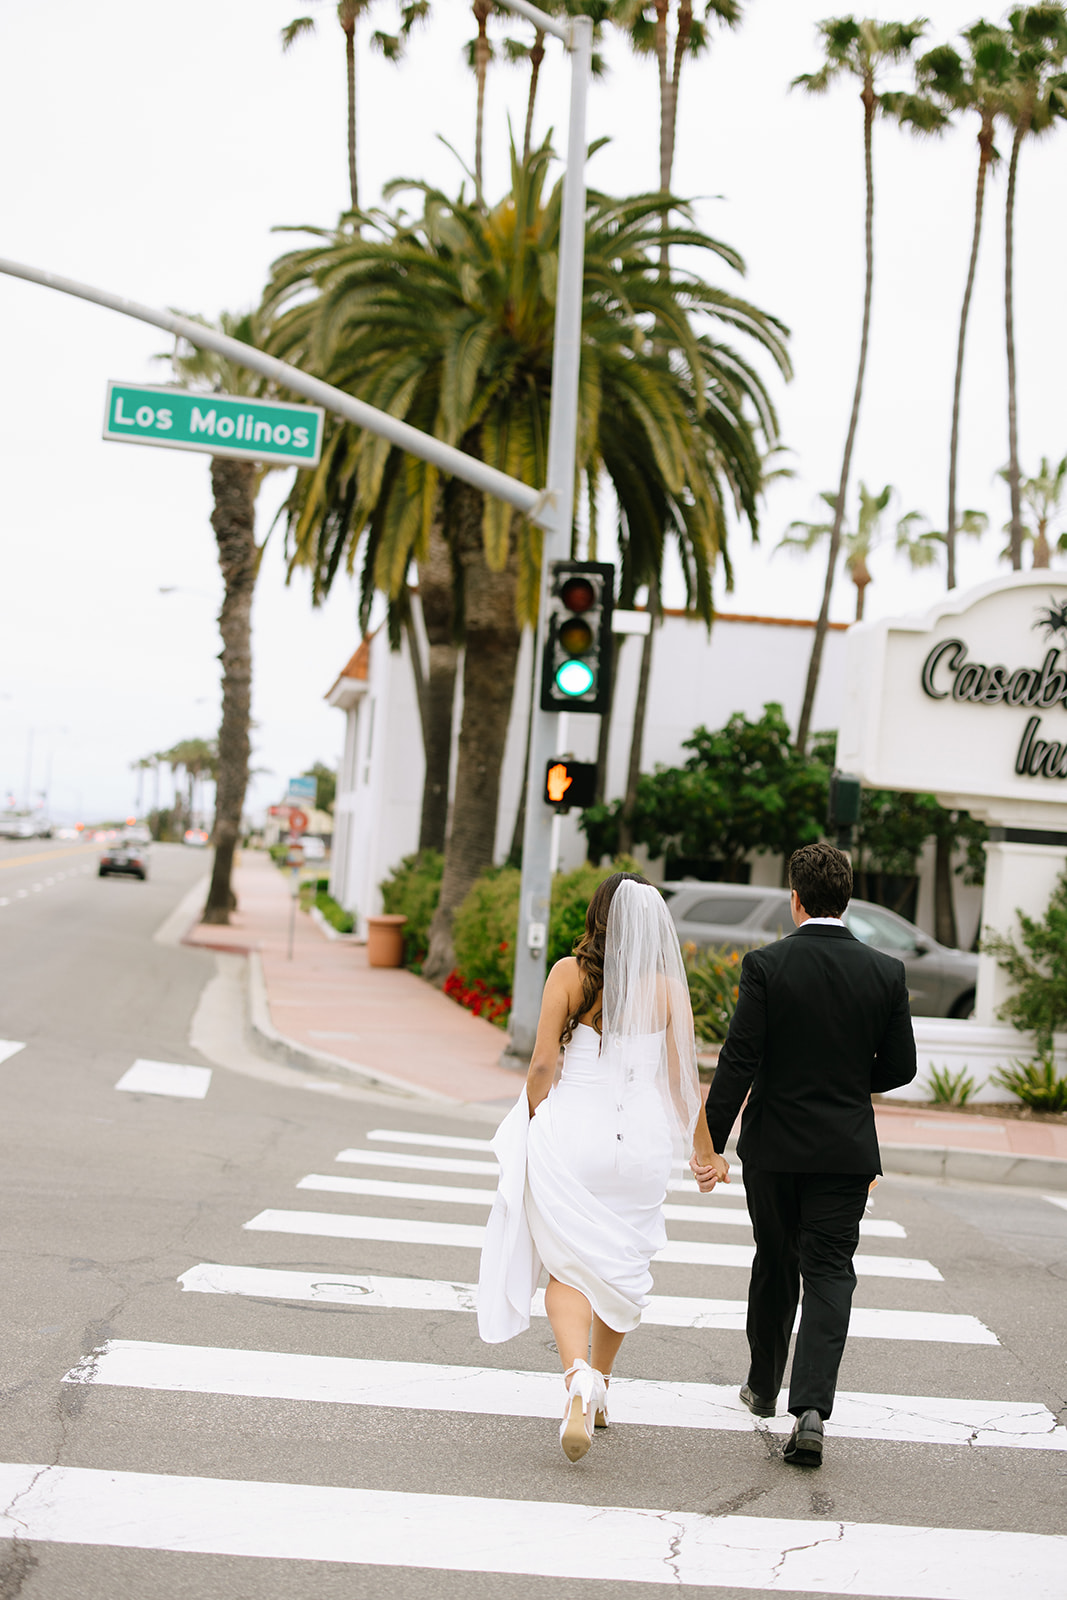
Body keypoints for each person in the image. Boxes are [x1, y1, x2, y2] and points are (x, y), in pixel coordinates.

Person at [478, 871, 728, 1461]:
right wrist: (705, 1151)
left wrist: (536, 1119)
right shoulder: (666, 988)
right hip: (641, 1144)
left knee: (569, 1265)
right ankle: (606, 1386)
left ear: (597, 914)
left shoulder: (569, 974)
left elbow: (542, 1065)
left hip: (578, 1135)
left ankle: (577, 1379)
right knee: (621, 1262)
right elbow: (682, 1082)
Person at [696, 840, 916, 1468]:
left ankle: (763, 1384)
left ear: (794, 899)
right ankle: (812, 1408)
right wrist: (845, 1081)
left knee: (775, 1257)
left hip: (773, 1148)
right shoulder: (885, 971)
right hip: (846, 1150)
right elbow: (901, 1067)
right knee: (829, 1271)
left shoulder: (766, 965)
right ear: (845, 899)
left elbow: (740, 1059)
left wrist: (710, 1141)